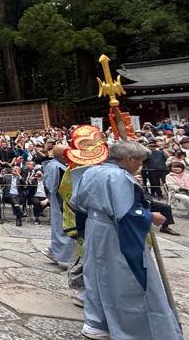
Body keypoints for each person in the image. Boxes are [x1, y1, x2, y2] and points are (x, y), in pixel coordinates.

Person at [71, 141, 182, 340]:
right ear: (129, 158)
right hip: (114, 231)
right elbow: (128, 212)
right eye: (139, 161)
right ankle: (130, 329)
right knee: (123, 278)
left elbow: (76, 202)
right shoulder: (118, 177)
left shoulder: (91, 171)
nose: (140, 165)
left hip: (94, 226)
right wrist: (150, 216)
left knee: (96, 275)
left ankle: (95, 322)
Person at [42, 144, 75, 266]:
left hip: (66, 200)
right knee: (62, 228)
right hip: (60, 200)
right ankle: (54, 252)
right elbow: (52, 186)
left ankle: (54, 251)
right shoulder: (54, 166)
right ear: (62, 155)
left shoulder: (62, 165)